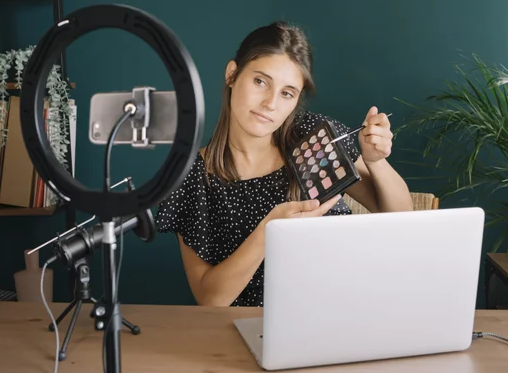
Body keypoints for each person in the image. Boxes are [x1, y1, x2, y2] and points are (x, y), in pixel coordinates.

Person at [155, 21, 413, 307]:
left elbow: (402, 220)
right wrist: (269, 232)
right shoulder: (192, 176)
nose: (270, 103)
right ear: (232, 75)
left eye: (287, 93)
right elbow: (210, 298)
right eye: (260, 82)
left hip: (349, 305)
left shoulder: (314, 137)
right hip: (254, 330)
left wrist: (376, 162)